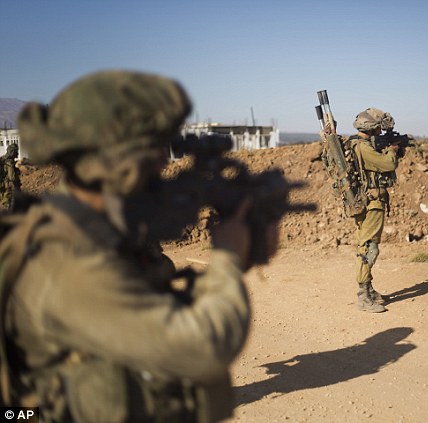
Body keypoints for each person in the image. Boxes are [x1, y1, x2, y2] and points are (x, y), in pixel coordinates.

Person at [0, 70, 272, 422]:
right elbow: (200, 348)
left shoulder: (91, 226)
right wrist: (228, 256)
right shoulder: (70, 255)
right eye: (151, 147)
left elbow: (152, 300)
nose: (164, 160)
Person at [348, 108, 401, 313]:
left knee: (367, 244)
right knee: (369, 247)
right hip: (372, 203)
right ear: (371, 127)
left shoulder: (357, 144)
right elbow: (387, 164)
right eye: (378, 127)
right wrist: (392, 150)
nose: (380, 130)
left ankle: (368, 290)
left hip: (366, 202)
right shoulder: (363, 148)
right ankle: (363, 296)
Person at [0, 143, 21, 209]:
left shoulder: (2, 159)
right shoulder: (9, 162)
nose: (17, 153)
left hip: (2, 185)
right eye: (16, 151)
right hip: (8, 187)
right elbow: (12, 177)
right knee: (8, 203)